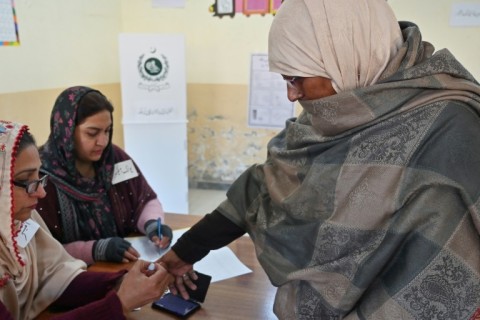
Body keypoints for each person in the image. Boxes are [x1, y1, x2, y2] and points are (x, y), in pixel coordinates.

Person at [160, 0, 480, 319]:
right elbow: (263, 187)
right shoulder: (334, 113)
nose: (291, 95)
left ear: (344, 57)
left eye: (296, 78)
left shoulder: (450, 132)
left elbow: (443, 275)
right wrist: (187, 250)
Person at [0, 120, 172, 320]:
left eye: (39, 177)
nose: (41, 192)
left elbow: (54, 278)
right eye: (27, 179)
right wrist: (119, 304)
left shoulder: (17, 220)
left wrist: (120, 282)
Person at [37, 86, 173, 265]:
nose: (103, 141)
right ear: (66, 132)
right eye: (92, 133)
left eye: (107, 131)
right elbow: (41, 251)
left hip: (126, 266)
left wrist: (152, 225)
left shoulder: (114, 159)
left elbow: (144, 198)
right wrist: (95, 250)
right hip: (76, 279)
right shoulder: (39, 179)